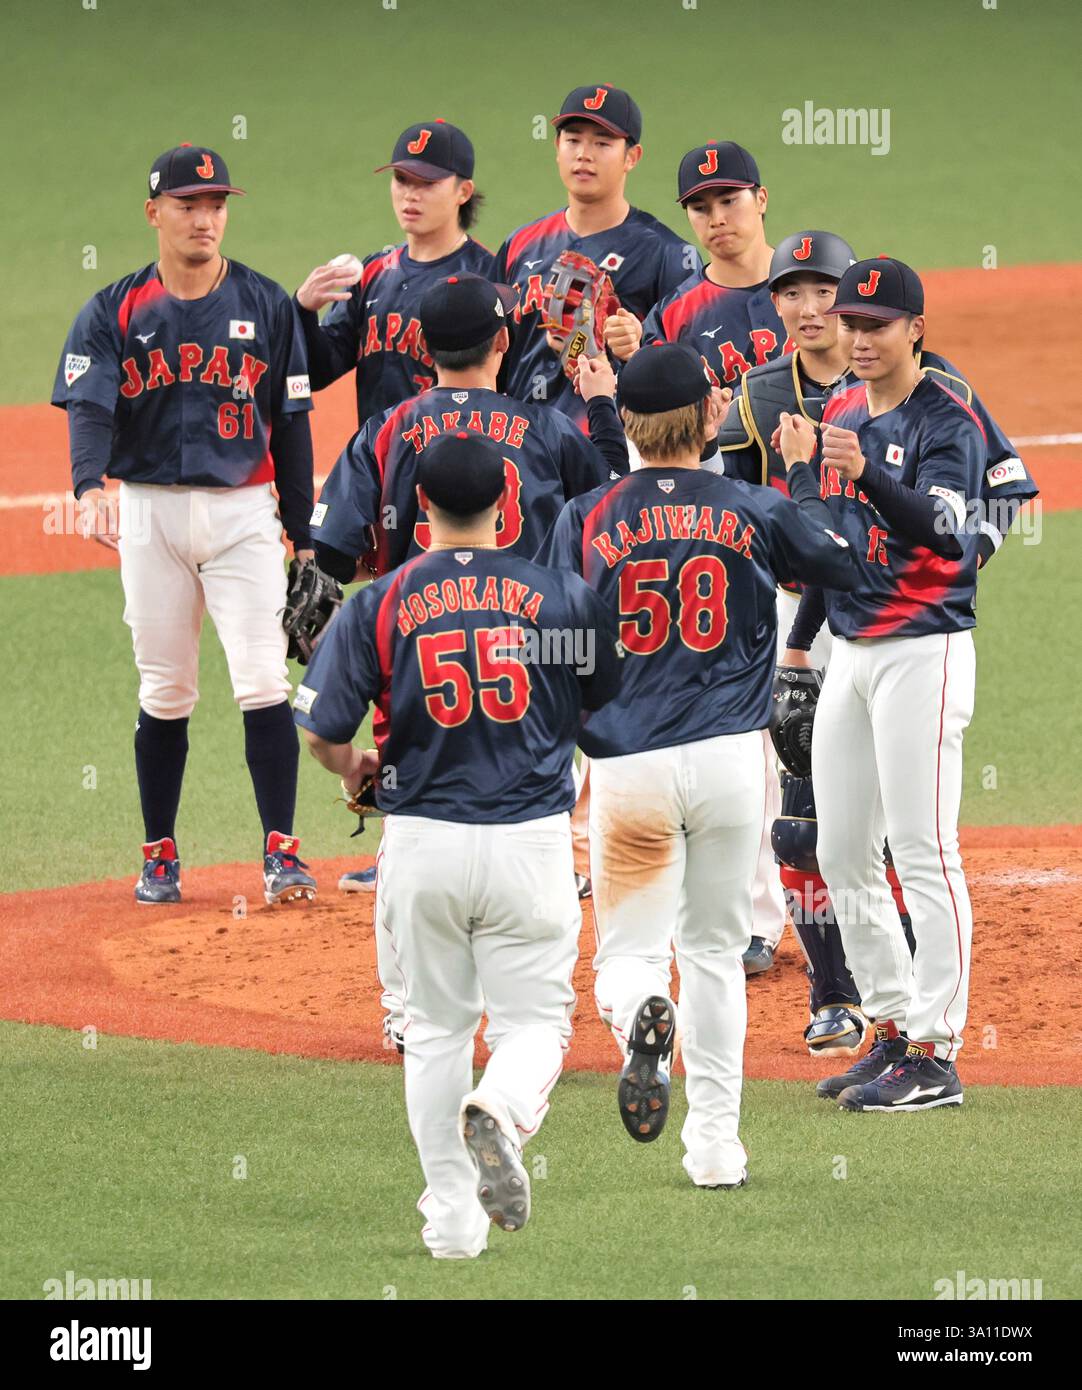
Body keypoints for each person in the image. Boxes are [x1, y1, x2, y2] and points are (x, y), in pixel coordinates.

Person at [535, 343, 857, 1187]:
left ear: (626, 423)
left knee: (628, 955)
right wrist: (803, 474)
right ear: (711, 417)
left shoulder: (586, 519)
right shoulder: (751, 504)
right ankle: (716, 1150)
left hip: (631, 766)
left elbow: (551, 642)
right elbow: (840, 557)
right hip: (729, 764)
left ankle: (647, 1013)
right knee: (714, 953)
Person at [294, 431, 623, 1257]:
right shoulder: (560, 597)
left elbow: (322, 730)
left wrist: (356, 769)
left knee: (436, 1030)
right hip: (528, 844)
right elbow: (604, 702)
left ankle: (450, 1226)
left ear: (421, 507)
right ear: (508, 503)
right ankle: (502, 1109)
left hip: (423, 842)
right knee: (535, 1025)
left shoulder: (382, 602)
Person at [717, 234, 1037, 1041]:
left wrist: (867, 477)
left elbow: (942, 524)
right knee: (842, 850)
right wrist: (799, 645)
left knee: (923, 848)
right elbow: (832, 544)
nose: (857, 338)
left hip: (921, 646)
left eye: (876, 325)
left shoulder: (946, 413)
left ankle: (936, 1042)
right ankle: (889, 1023)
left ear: (915, 329)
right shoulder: (844, 413)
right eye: (852, 323)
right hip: (850, 647)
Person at [310, 272, 625, 1040]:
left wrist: (367, 601)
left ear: (423, 347)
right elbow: (612, 499)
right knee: (533, 815)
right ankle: (528, 1006)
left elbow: (331, 553)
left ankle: (406, 1013)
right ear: (503, 342)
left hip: (419, 649)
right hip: (535, 652)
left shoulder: (387, 429)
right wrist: (600, 406)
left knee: (413, 823)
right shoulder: (547, 429)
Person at [52, 144, 317, 906]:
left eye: (217, 204)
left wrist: (302, 537)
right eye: (188, 204)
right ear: (154, 213)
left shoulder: (266, 304)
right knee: (166, 689)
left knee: (263, 680)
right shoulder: (115, 309)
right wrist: (87, 483)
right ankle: (160, 854)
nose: (206, 218)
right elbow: (90, 405)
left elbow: (292, 425)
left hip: (243, 514)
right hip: (150, 514)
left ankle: (281, 851)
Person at [495, 84, 696, 428]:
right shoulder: (520, 245)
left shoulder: (667, 254)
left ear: (632, 157)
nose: (584, 154)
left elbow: (689, 372)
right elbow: (492, 356)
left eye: (602, 143)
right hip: (523, 440)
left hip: (617, 443)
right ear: (557, 148)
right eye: (573, 140)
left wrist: (637, 349)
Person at [295, 121, 495, 428]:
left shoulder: (487, 276)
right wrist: (304, 311)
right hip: (376, 451)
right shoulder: (373, 273)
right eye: (402, 180)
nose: (410, 195)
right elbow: (320, 372)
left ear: (463, 191)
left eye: (427, 183)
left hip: (456, 449)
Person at [616, 142, 791, 389]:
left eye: (728, 201)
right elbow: (648, 406)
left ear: (761, 199)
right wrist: (635, 357)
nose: (717, 219)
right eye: (700, 208)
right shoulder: (671, 317)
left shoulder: (817, 283)